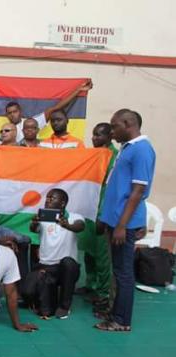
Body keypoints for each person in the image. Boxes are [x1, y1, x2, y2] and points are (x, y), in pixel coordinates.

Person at [96, 109, 155, 332]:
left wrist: (122, 224)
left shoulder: (142, 150)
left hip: (123, 223)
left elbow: (138, 190)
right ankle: (114, 314)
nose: (112, 131)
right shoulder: (127, 148)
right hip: (115, 220)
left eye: (114, 126)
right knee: (117, 270)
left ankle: (121, 320)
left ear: (128, 123)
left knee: (123, 273)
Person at [25, 189, 84, 319]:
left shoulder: (75, 217)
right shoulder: (43, 218)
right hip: (46, 267)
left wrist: (66, 225)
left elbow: (80, 226)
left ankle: (64, 306)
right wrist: (34, 223)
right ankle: (48, 301)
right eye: (47, 197)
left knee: (68, 262)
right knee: (33, 298)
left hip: (65, 269)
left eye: (52, 198)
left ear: (62, 203)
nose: (48, 200)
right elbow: (34, 229)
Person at [81, 123, 119, 314]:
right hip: (89, 208)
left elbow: (110, 189)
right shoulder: (93, 154)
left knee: (103, 255)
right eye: (93, 135)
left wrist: (103, 214)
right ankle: (90, 283)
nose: (94, 138)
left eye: (99, 135)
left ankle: (103, 293)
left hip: (102, 212)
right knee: (89, 250)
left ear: (109, 136)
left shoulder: (113, 157)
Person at [5, 79, 93, 142]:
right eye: (9, 113)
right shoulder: (4, 130)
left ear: (20, 111)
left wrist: (78, 90)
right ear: (7, 115)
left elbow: (55, 108)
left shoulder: (31, 122)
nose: (12, 114)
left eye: (15, 111)